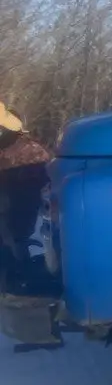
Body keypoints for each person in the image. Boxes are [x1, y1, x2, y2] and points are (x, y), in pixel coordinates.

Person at [0, 102, 52, 293]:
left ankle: (22, 278)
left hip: (24, 213)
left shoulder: (29, 151)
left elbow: (38, 186)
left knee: (21, 243)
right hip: (13, 214)